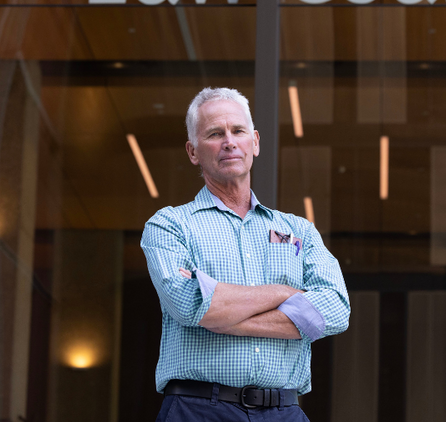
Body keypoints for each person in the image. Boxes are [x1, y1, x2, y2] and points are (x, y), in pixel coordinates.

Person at [140, 87, 350, 421]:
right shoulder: (170, 225)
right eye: (214, 133)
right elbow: (189, 304)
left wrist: (222, 314)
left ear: (255, 142)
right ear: (193, 151)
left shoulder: (299, 231)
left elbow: (335, 309)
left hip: (285, 411)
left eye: (238, 131)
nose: (229, 141)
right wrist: (285, 295)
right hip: (198, 410)